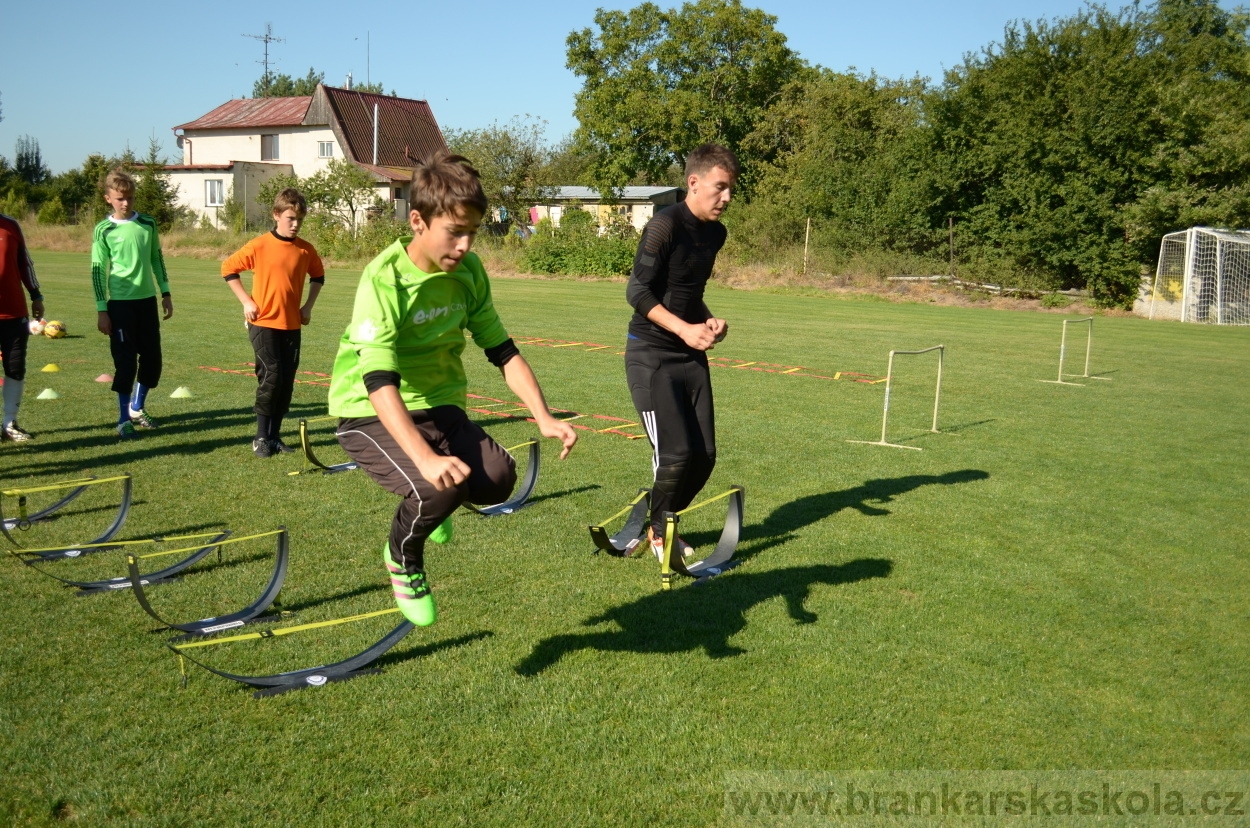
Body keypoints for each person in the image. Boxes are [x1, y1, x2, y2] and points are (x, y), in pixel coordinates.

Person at [328, 153, 577, 626]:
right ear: (418, 221)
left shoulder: (470, 273)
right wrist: (424, 458)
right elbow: (377, 378)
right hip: (368, 411)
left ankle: (433, 506)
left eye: (472, 233)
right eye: (454, 232)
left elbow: (502, 350)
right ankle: (402, 556)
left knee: (497, 478)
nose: (464, 246)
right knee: (437, 484)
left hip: (441, 407)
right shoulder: (384, 279)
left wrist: (543, 417)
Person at [624, 143, 738, 560]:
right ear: (694, 182)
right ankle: (659, 531)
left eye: (731, 190)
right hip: (651, 356)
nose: (726, 199)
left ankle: (660, 514)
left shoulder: (716, 233)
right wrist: (685, 330)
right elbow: (636, 291)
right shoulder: (663, 226)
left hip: (689, 355)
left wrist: (708, 322)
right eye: (720, 188)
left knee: (704, 456)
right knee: (676, 455)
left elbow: (689, 293)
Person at [221, 188, 325, 457]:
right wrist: (246, 301)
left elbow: (318, 276)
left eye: (300, 220)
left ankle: (275, 437)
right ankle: (260, 438)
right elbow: (228, 269)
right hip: (263, 322)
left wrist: (308, 307)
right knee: (272, 376)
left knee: (286, 381)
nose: (295, 224)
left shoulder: (306, 250)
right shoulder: (259, 246)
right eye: (290, 218)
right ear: (276, 214)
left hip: (292, 325)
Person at [91, 169, 173, 438]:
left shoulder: (147, 223)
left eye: (130, 198)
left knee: (152, 360)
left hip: (146, 302)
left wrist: (165, 292)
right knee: (126, 364)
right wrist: (102, 309)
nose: (126, 203)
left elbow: (156, 259)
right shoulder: (104, 230)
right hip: (120, 306)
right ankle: (123, 418)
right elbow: (97, 270)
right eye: (120, 199)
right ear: (108, 199)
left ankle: (138, 407)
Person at [0, 213, 43, 442]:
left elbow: (24, 263)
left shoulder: (10, 225)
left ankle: (9, 423)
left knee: (15, 368)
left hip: (14, 312)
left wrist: (36, 295)